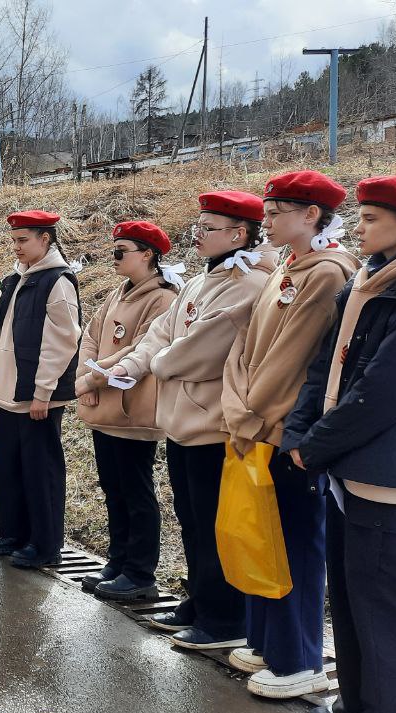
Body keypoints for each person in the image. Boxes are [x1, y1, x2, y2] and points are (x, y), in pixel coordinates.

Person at [109, 191, 278, 651]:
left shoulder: (247, 282)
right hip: (181, 421)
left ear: (239, 233)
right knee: (191, 519)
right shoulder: (204, 279)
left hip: (211, 426)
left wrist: (156, 364)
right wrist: (132, 364)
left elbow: (200, 350)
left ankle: (223, 618)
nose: (197, 235)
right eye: (197, 227)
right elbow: (161, 331)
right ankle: (200, 600)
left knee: (212, 523)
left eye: (208, 228)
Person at [284, 174, 396, 713]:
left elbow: (382, 392)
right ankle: (359, 700)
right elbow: (324, 369)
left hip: (391, 477)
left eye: (371, 219)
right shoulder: (367, 283)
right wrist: (300, 435)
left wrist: (313, 446)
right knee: (349, 595)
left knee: (387, 607)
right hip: (351, 468)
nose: (357, 227)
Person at [217, 171, 359, 699]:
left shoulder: (327, 273)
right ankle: (267, 638)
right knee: (260, 535)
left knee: (294, 544)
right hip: (253, 422)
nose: (267, 220)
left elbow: (292, 360)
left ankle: (299, 656)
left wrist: (249, 415)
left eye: (278, 212)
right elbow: (244, 348)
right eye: (268, 210)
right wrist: (237, 408)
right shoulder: (287, 266)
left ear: (312, 216)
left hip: (282, 429)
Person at [74, 221, 179, 597]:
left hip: (133, 411)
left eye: (122, 251)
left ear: (148, 254)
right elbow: (91, 334)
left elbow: (140, 347)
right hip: (105, 405)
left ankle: (140, 572)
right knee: (113, 488)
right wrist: (87, 374)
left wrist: (91, 379)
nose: (114, 257)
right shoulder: (119, 291)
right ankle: (118, 560)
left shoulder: (163, 297)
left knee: (136, 490)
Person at [0, 210, 82, 565]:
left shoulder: (57, 281)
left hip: (36, 397)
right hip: (9, 393)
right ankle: (14, 533)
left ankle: (45, 545)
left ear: (46, 239)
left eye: (24, 240)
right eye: (14, 241)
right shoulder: (17, 278)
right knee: (10, 468)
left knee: (41, 473)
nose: (17, 247)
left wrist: (44, 391)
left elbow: (63, 341)